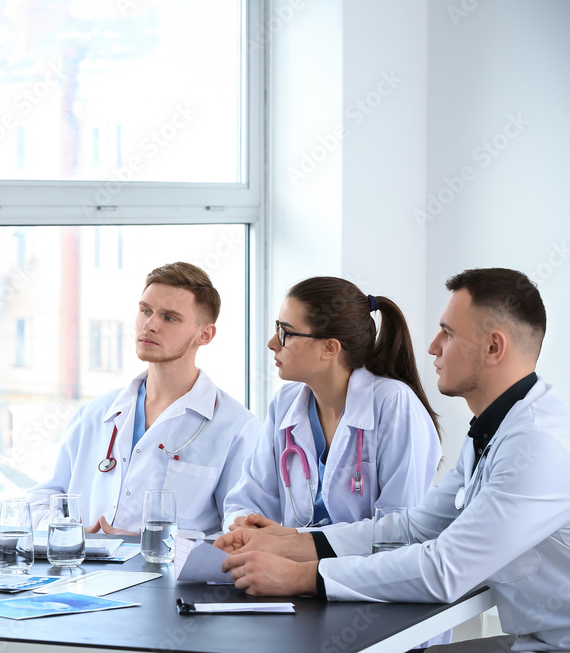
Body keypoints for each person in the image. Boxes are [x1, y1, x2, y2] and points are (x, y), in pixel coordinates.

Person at [215, 268, 570, 652]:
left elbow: (443, 570)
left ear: (494, 347)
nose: (433, 346)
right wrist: (287, 542)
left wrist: (302, 576)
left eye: (448, 333)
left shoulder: (538, 443)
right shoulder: (495, 430)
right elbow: (412, 529)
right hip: (534, 639)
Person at [28, 262, 260, 535]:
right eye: (145, 311)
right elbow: (42, 498)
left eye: (169, 317)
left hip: (170, 577)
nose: (149, 325)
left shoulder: (237, 427)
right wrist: (66, 533)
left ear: (204, 334)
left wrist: (151, 543)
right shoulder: (95, 413)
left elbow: (239, 534)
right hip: (85, 574)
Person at [222, 277, 442, 532]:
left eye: (285, 332)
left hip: (365, 570)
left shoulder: (394, 403)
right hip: (286, 564)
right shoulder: (284, 403)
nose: (272, 343)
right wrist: (242, 525)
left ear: (329, 348)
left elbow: (398, 528)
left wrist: (293, 540)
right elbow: (246, 500)